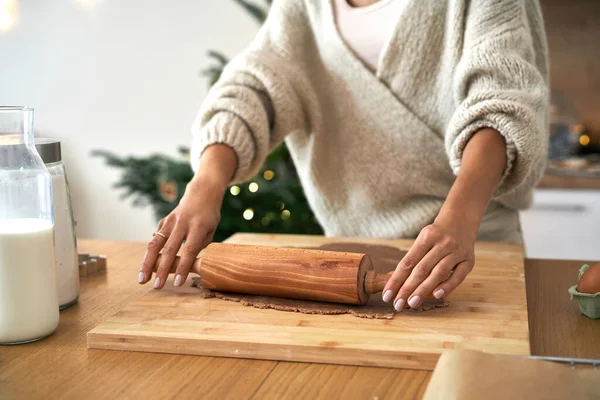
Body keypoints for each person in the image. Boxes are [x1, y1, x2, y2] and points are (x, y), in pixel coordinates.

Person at [138, 0, 549, 312]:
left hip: (471, 248)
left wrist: (459, 220)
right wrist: (206, 184)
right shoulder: (303, 6)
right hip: (349, 258)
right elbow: (252, 91)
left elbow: (501, 102)